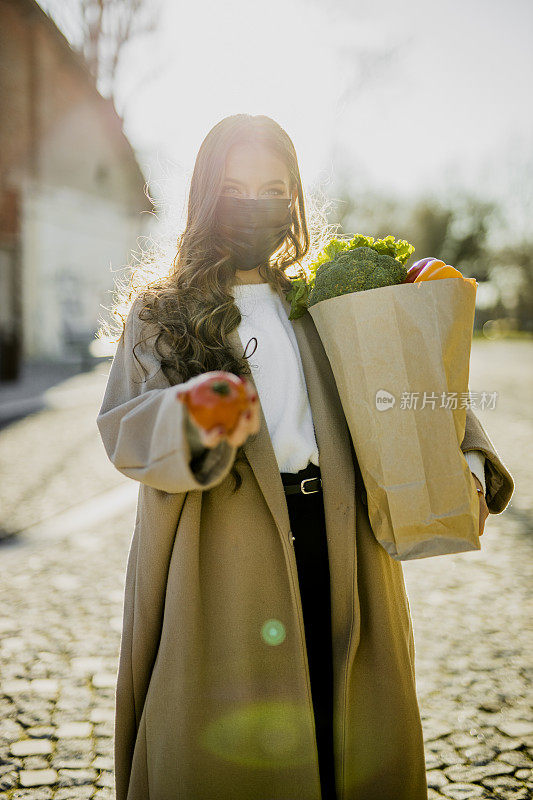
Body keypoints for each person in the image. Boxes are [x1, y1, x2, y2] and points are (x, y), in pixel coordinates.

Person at [96, 114, 514, 800]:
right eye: (234, 187)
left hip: (345, 544)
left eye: (272, 187)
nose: (253, 204)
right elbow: (125, 429)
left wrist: (467, 460)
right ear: (204, 195)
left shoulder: (327, 300)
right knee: (239, 753)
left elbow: (419, 386)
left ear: (293, 198)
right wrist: (195, 412)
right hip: (223, 562)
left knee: (347, 736)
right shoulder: (161, 312)